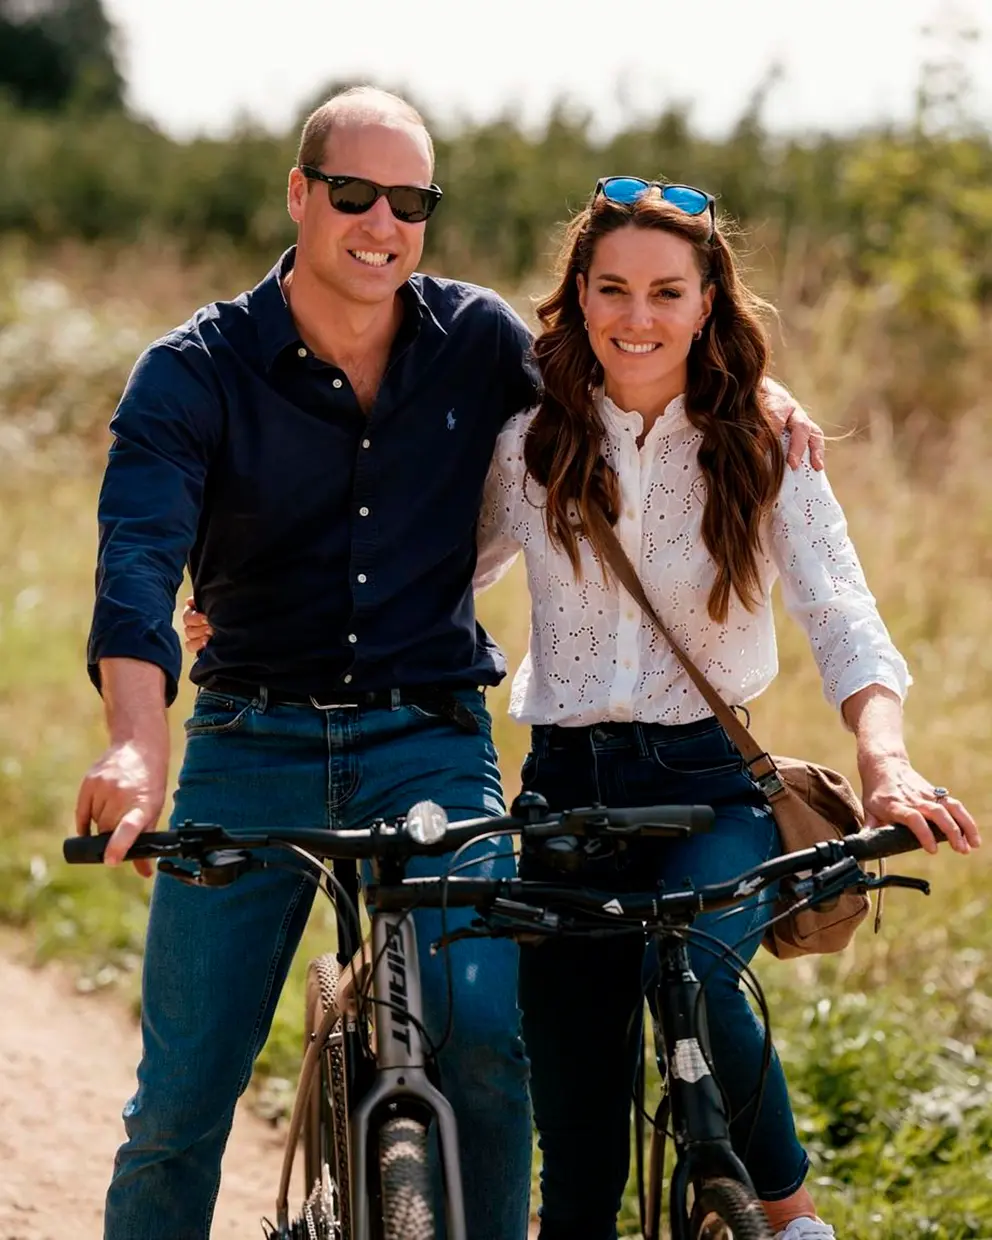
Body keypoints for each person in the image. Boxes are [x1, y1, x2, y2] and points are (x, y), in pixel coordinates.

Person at [80, 82, 821, 1240]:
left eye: (409, 200)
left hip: (427, 738)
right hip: (246, 742)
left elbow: (631, 368)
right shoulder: (192, 372)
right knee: (180, 1103)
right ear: (299, 192)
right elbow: (136, 561)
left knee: (483, 1033)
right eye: (353, 193)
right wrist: (134, 742)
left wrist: (750, 385)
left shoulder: (473, 343)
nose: (381, 222)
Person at [464, 177, 980, 1240]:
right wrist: (249, 615)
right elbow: (436, 580)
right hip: (562, 795)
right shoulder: (529, 446)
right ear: (579, 296)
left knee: (698, 966)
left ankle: (790, 1222)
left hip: (711, 787)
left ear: (706, 303)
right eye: (611, 289)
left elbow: (839, 611)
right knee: (577, 1152)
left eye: (664, 291)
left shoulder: (760, 441)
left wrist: (881, 758)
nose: (636, 317)